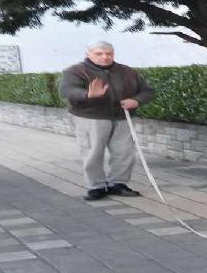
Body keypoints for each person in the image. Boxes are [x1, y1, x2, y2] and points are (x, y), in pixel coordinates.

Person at [59, 41, 155, 200]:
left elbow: (147, 91)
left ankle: (118, 184)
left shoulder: (128, 71)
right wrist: (87, 95)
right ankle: (95, 186)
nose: (105, 57)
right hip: (91, 117)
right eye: (99, 53)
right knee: (92, 152)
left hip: (122, 117)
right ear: (88, 54)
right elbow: (67, 90)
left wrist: (136, 101)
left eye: (109, 53)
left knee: (124, 152)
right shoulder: (75, 71)